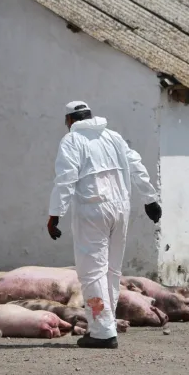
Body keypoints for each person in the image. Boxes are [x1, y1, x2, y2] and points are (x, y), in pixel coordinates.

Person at [47, 102, 161, 349]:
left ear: (69, 120)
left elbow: (65, 179)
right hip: (120, 209)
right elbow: (137, 166)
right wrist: (150, 199)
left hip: (92, 211)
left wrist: (55, 214)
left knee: (91, 273)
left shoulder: (72, 141)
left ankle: (102, 331)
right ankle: (106, 324)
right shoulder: (114, 137)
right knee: (111, 271)